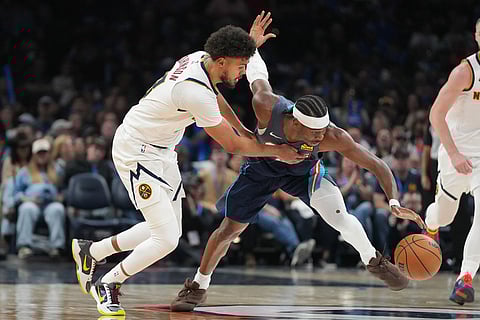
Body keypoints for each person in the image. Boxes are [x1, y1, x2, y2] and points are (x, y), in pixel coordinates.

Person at [170, 12, 426, 312]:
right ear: (295, 122)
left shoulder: (333, 136)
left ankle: (374, 260)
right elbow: (256, 75)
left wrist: (394, 200)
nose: (319, 138)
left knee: (339, 215)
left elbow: (377, 164)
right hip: (262, 168)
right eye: (313, 133)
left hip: (303, 172)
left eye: (322, 131)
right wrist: (251, 47)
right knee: (229, 230)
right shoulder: (267, 106)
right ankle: (199, 285)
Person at [71, 14, 304, 317]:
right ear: (222, 61)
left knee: (168, 230)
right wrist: (276, 151)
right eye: (241, 66)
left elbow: (218, 100)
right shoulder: (193, 91)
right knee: (165, 238)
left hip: (163, 150)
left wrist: (246, 128)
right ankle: (109, 282)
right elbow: (232, 146)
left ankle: (92, 251)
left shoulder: (202, 60)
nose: (243, 72)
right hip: (137, 150)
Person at [423, 18, 480, 305]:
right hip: (454, 153)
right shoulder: (465, 72)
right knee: (444, 215)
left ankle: (465, 278)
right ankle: (430, 224)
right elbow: (435, 114)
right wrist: (455, 154)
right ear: (477, 36)